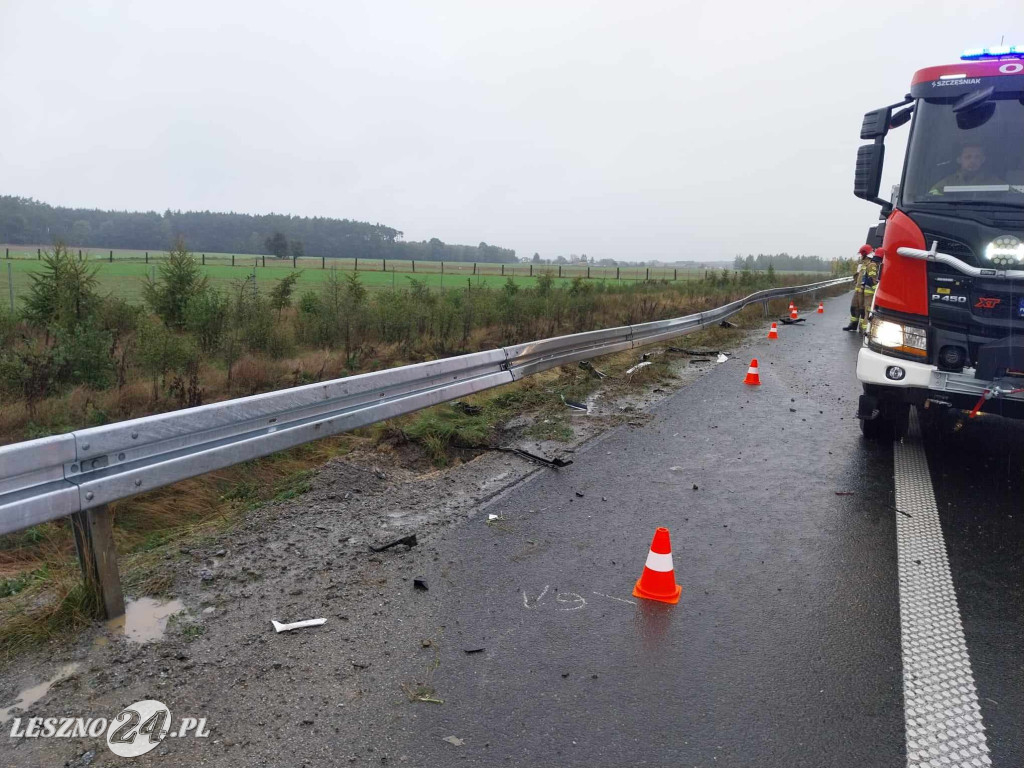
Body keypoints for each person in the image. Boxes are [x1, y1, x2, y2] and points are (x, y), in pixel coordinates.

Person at [929, 144, 1003, 195]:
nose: (972, 161)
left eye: (977, 157)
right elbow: (931, 198)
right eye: (968, 157)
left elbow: (1011, 193)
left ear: (983, 160)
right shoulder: (947, 183)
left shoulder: (994, 182)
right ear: (959, 160)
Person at [843, 245, 879, 333]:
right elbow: (857, 275)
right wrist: (856, 281)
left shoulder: (870, 264)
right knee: (854, 307)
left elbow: (871, 278)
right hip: (857, 290)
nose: (860, 256)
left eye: (861, 254)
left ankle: (862, 328)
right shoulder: (862, 264)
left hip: (864, 291)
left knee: (863, 310)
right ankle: (853, 324)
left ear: (864, 254)